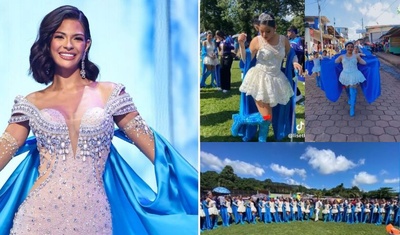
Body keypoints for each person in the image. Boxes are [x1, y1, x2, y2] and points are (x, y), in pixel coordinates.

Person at [0, 5, 197, 235]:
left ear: (87, 45)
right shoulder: (30, 103)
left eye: (77, 38)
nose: (68, 45)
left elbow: (161, 155)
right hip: (36, 218)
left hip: (93, 218)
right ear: (48, 42)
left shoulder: (111, 95)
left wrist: (191, 188)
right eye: (60, 37)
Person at [232, 12, 302, 142]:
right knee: (267, 117)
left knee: (268, 117)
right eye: (261, 31)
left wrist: (295, 62)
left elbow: (291, 53)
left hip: (276, 80)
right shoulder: (256, 40)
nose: (264, 35)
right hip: (259, 79)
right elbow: (245, 59)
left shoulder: (283, 40)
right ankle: (239, 120)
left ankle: (262, 139)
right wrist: (241, 45)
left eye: (268, 31)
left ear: (275, 27)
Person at [335, 41, 367, 116]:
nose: (350, 48)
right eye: (348, 46)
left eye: (351, 47)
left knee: (353, 90)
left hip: (354, 74)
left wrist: (369, 61)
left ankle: (352, 107)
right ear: (346, 48)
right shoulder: (342, 56)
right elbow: (335, 62)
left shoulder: (356, 56)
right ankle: (349, 98)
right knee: (347, 89)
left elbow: (363, 62)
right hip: (345, 75)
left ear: (353, 48)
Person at [287, 25, 304, 103]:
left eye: (288, 31)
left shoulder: (298, 40)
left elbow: (301, 52)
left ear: (292, 32)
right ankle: (295, 94)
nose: (287, 33)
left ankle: (298, 95)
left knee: (291, 79)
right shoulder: (289, 41)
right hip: (288, 63)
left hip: (295, 63)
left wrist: (298, 63)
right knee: (288, 79)